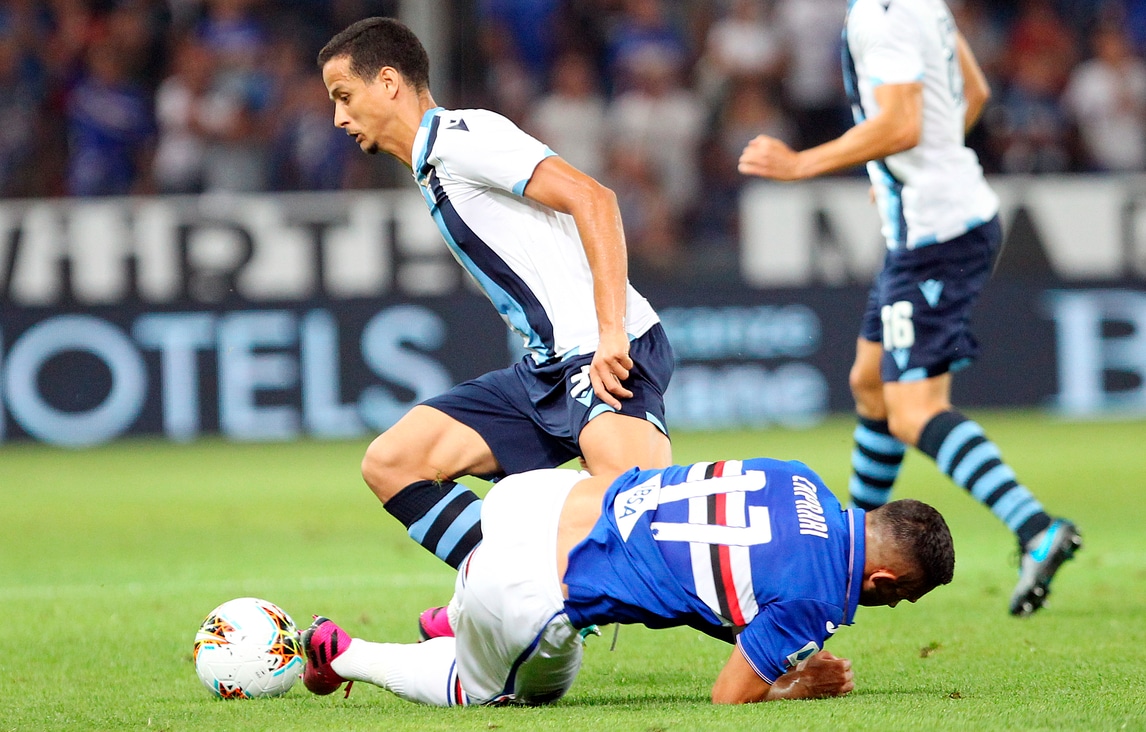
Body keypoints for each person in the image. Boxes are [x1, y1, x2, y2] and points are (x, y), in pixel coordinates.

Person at [736, 0, 1081, 617]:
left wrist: (801, 163)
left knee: (915, 409)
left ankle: (1036, 528)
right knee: (870, 384)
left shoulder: (883, 15)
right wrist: (909, 171)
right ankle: (849, 546)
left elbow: (901, 124)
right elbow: (972, 91)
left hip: (935, 241)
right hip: (932, 229)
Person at [317, 19, 674, 582]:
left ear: (387, 82)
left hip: (604, 354)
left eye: (344, 96)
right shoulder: (432, 165)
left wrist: (611, 333)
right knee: (393, 462)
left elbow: (595, 199)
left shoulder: (461, 138)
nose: (339, 117)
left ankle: (778, 623)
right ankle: (509, 585)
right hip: (546, 370)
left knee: (640, 518)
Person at [299, 456, 955, 706]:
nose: (892, 605)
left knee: (515, 598)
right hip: (527, 588)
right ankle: (344, 653)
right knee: (497, 692)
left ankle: (456, 619)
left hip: (533, 497)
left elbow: (720, 580)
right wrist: (798, 683)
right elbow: (729, 697)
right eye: (901, 596)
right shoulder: (815, 598)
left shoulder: (800, 476)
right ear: (882, 577)